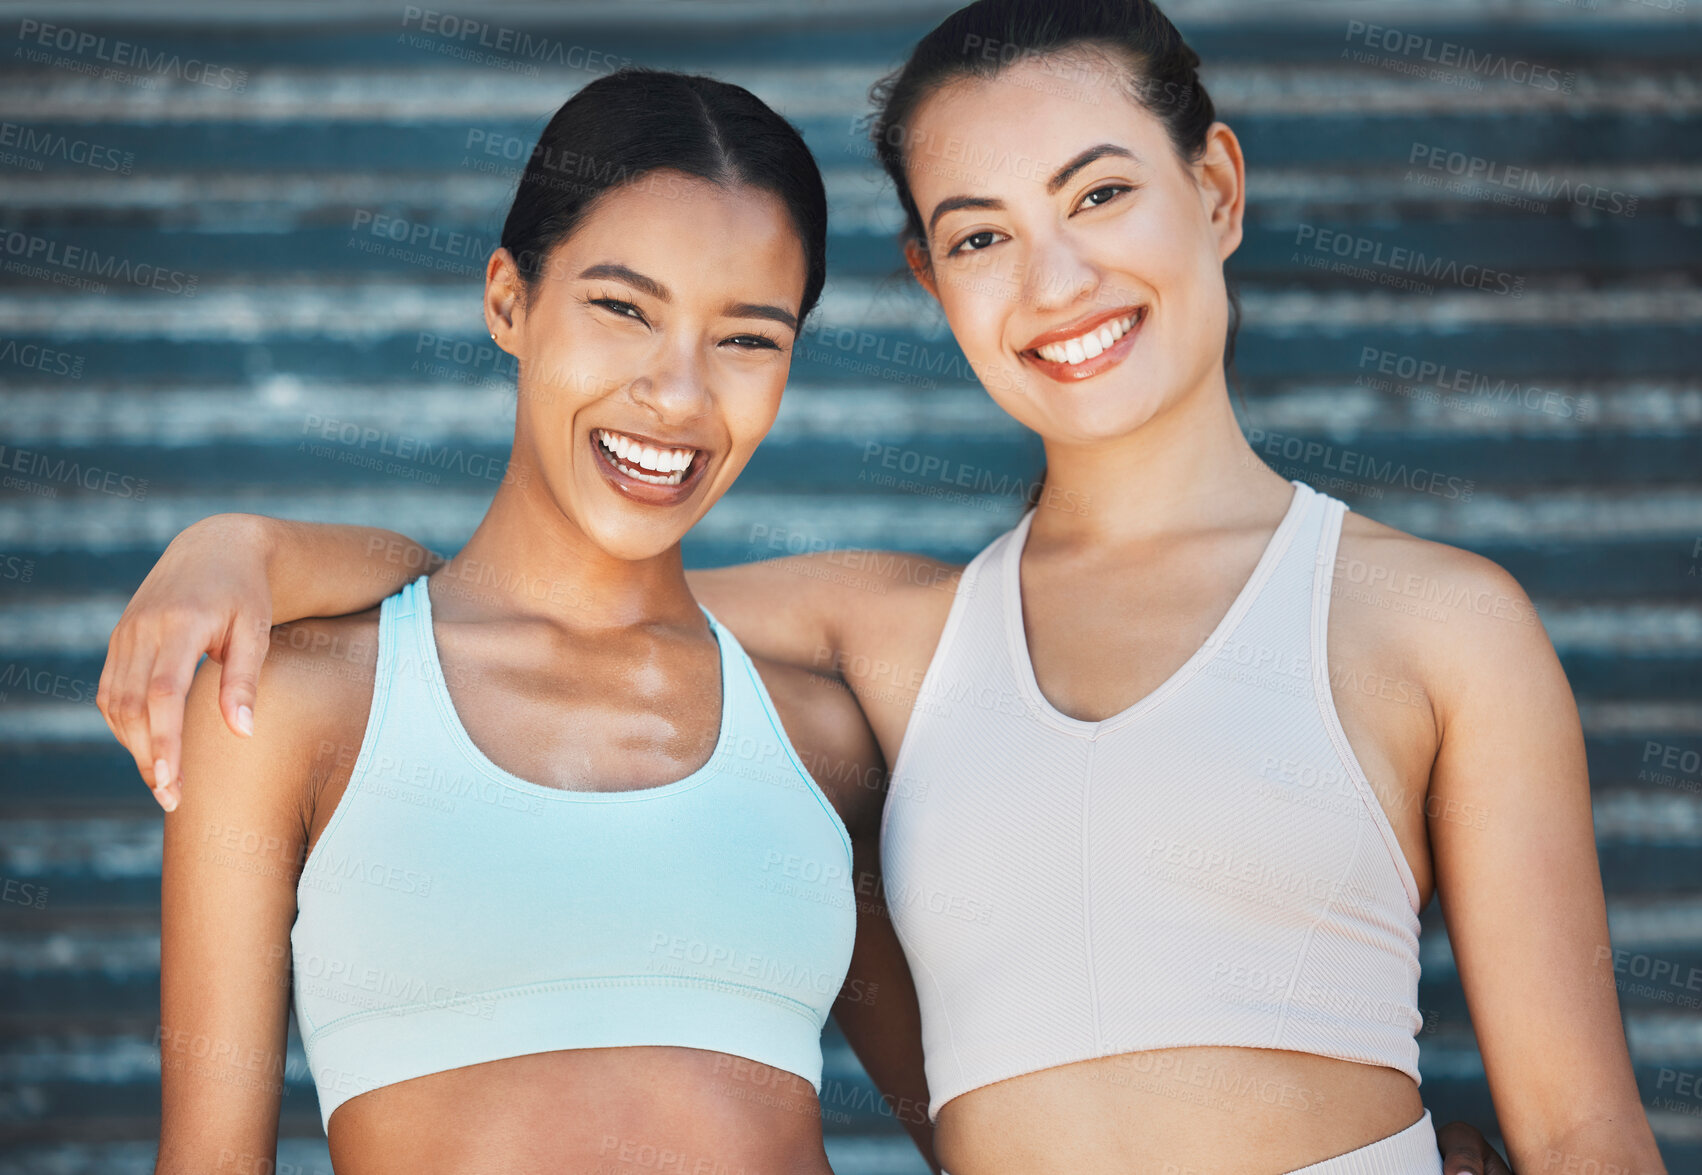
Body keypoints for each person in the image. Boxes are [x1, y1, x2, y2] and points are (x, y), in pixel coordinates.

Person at [97, 3, 1616, 1173]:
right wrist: (254, 544)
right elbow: (500, 610)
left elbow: (1568, 1132)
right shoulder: (877, 641)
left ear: (1214, 188)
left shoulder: (1423, 622)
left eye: (1099, 194)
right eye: (982, 234)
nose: (1055, 279)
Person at [129, 68, 937, 1175]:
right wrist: (244, 540)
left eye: (748, 338)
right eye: (621, 308)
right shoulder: (288, 704)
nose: (678, 393)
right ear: (508, 300)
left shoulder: (822, 741)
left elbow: (985, 1124)